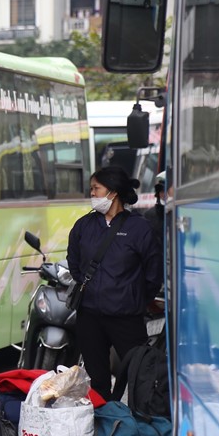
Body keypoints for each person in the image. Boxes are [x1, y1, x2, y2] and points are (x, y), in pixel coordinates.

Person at [67, 166, 163, 401]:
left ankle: (141, 425)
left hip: (126, 317)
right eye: (91, 189)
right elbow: (74, 262)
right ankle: (104, 425)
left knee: (139, 374)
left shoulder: (139, 228)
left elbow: (153, 272)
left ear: (113, 192)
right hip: (89, 316)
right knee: (96, 379)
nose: (92, 194)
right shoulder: (83, 226)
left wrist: (134, 298)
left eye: (96, 189)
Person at [143, 170, 168, 250]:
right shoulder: (149, 215)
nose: (164, 194)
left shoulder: (181, 212)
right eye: (161, 190)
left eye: (166, 190)